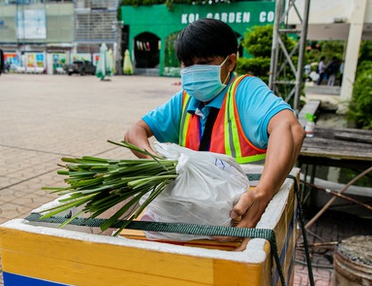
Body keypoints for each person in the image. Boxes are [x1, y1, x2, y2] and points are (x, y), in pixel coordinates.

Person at [124, 18, 305, 232]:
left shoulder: (244, 91)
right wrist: (156, 162)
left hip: (241, 215)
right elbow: (133, 133)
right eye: (187, 64)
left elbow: (291, 129)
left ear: (230, 62)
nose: (194, 71)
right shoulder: (183, 100)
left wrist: (262, 194)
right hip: (194, 214)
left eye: (204, 62)